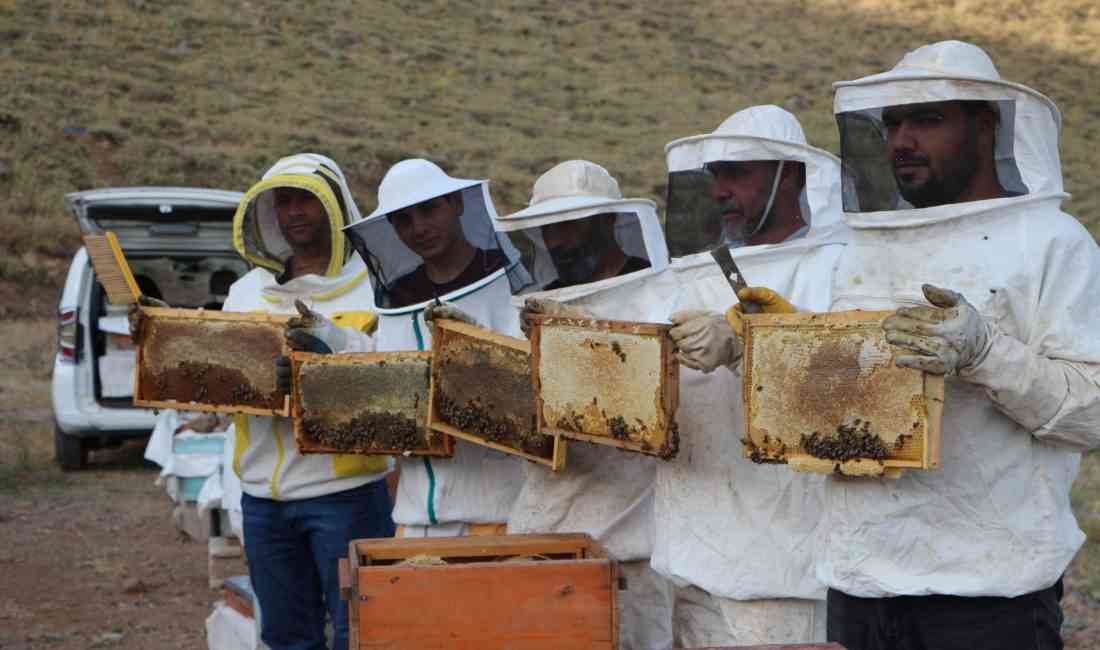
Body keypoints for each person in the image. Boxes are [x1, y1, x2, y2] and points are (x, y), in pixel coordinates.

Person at [801, 40, 1100, 650]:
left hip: (989, 595)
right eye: (892, 123)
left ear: (986, 123)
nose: (901, 141)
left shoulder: (1050, 242)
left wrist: (986, 352)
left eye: (927, 119)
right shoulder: (857, 248)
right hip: (857, 582)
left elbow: (1093, 411)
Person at [655, 105, 848, 646]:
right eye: (715, 175)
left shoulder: (836, 269)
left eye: (737, 173)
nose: (720, 190)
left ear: (792, 176)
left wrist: (747, 348)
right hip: (689, 559)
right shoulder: (691, 273)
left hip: (782, 568)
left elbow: (846, 394)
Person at [496, 159, 673, 650]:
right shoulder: (537, 306)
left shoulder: (659, 300)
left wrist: (583, 352)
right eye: (548, 230)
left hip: (632, 549)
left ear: (610, 222)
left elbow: (658, 419)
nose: (559, 241)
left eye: (571, 225)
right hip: (542, 538)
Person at [223, 153, 394, 650]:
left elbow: (393, 374)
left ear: (335, 207)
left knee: (360, 633)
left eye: (306, 200)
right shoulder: (243, 293)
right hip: (263, 500)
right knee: (284, 636)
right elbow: (212, 387)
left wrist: (330, 349)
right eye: (284, 202)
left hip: (346, 494)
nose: (294, 212)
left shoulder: (376, 288)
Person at [344, 158, 532, 538]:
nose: (420, 228)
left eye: (429, 210)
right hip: (414, 519)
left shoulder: (510, 285)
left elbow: (532, 392)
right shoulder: (398, 297)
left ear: (457, 204)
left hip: (499, 514)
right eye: (404, 219)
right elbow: (384, 378)